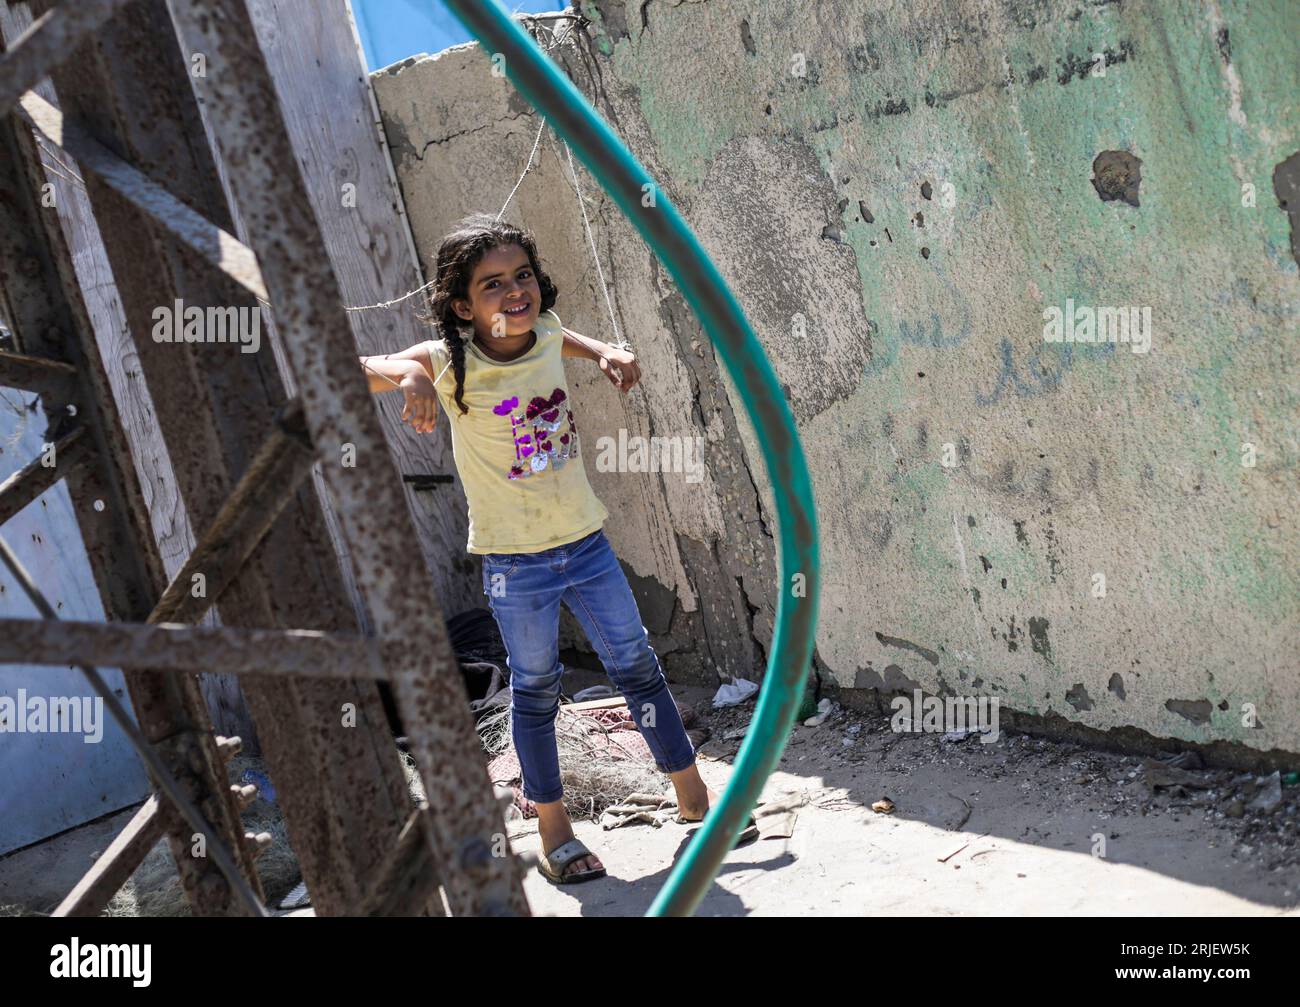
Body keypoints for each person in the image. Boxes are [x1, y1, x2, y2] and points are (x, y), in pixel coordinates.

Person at [359, 213, 753, 884]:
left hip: (586, 543)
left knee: (638, 667)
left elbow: (559, 334)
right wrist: (409, 377)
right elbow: (361, 366)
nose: (514, 292)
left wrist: (604, 352)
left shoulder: (540, 331)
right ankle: (554, 831)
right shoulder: (451, 362)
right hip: (516, 565)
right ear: (462, 306)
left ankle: (695, 801)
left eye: (522, 277)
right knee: (536, 688)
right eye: (492, 285)